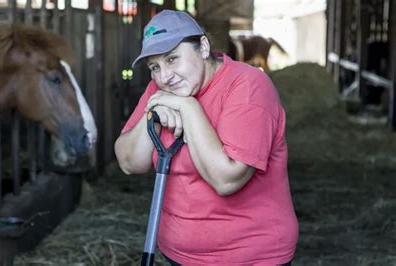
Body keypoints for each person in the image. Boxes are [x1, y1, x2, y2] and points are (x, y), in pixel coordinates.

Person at [114, 9, 298, 266]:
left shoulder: (248, 86)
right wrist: (154, 113)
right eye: (154, 66)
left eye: (172, 59)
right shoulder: (161, 88)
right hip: (178, 255)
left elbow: (226, 180)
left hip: (248, 257)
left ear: (202, 47)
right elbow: (129, 162)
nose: (164, 75)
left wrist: (189, 108)